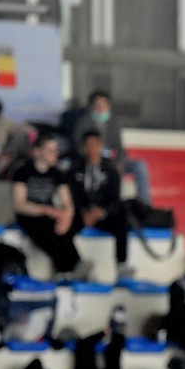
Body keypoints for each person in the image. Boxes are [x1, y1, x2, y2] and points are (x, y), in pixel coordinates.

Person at [13, 135, 84, 279]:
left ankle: (73, 267)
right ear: (37, 152)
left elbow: (68, 203)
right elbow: (19, 205)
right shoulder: (23, 172)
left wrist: (66, 218)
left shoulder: (57, 174)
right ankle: (68, 268)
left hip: (50, 214)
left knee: (66, 227)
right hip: (30, 215)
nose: (54, 155)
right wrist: (46, 210)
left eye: (55, 151)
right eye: (50, 151)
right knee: (48, 230)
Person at [68, 130, 133, 279]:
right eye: (88, 145)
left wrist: (101, 211)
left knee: (122, 220)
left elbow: (115, 198)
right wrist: (84, 212)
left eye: (94, 144)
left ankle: (121, 265)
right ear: (83, 147)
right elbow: (72, 195)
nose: (91, 148)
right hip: (81, 213)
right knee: (62, 226)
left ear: (100, 145)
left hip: (104, 214)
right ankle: (73, 266)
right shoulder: (75, 168)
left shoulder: (111, 168)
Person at [72, 90, 152, 205]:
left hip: (111, 161)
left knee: (139, 165)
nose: (101, 108)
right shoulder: (83, 123)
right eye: (97, 105)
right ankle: (113, 204)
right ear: (91, 107)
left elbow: (120, 148)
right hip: (93, 161)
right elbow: (79, 147)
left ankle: (145, 204)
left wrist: (119, 162)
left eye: (104, 105)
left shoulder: (113, 123)